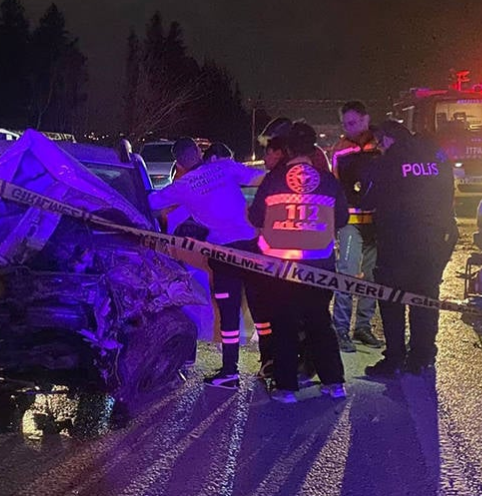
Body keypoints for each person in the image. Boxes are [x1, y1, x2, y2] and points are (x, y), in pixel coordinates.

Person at [149, 138, 270, 389]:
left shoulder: (182, 185)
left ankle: (229, 372)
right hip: (252, 246)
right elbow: (260, 178)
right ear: (198, 152)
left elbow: (150, 203)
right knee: (260, 307)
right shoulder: (224, 168)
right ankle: (271, 363)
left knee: (228, 312)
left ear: (179, 163)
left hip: (223, 253)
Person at [249, 121, 348, 403]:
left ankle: (286, 388)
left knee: (283, 326)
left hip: (280, 268)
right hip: (318, 266)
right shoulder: (328, 181)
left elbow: (256, 217)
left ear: (289, 148)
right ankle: (333, 383)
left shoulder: (274, 179)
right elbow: (341, 219)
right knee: (320, 322)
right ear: (313, 148)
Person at [361, 118, 458, 377]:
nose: (378, 147)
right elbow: (449, 192)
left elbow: (367, 199)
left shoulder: (388, 161)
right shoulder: (436, 154)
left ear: (388, 138)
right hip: (434, 240)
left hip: (397, 241)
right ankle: (422, 356)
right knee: (425, 298)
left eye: (380, 142)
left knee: (392, 300)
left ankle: (394, 358)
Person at [330, 101, 384, 352]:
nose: (348, 128)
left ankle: (363, 327)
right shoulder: (340, 150)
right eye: (344, 124)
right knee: (347, 274)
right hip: (351, 221)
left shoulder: (381, 145)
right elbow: (337, 187)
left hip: (376, 221)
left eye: (352, 123)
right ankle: (340, 328)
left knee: (372, 277)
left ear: (365, 119)